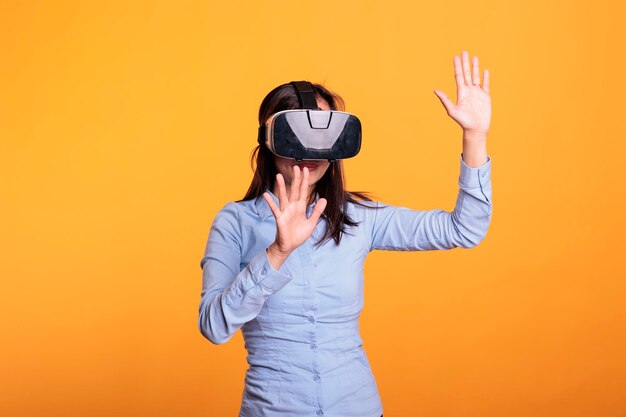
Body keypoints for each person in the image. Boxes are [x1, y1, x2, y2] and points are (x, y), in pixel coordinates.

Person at [199, 50, 493, 417]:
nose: (310, 150)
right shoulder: (234, 223)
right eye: (298, 134)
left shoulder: (358, 218)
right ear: (270, 141)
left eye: (324, 133)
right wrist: (276, 253)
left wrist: (475, 136)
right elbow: (213, 326)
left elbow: (463, 229)